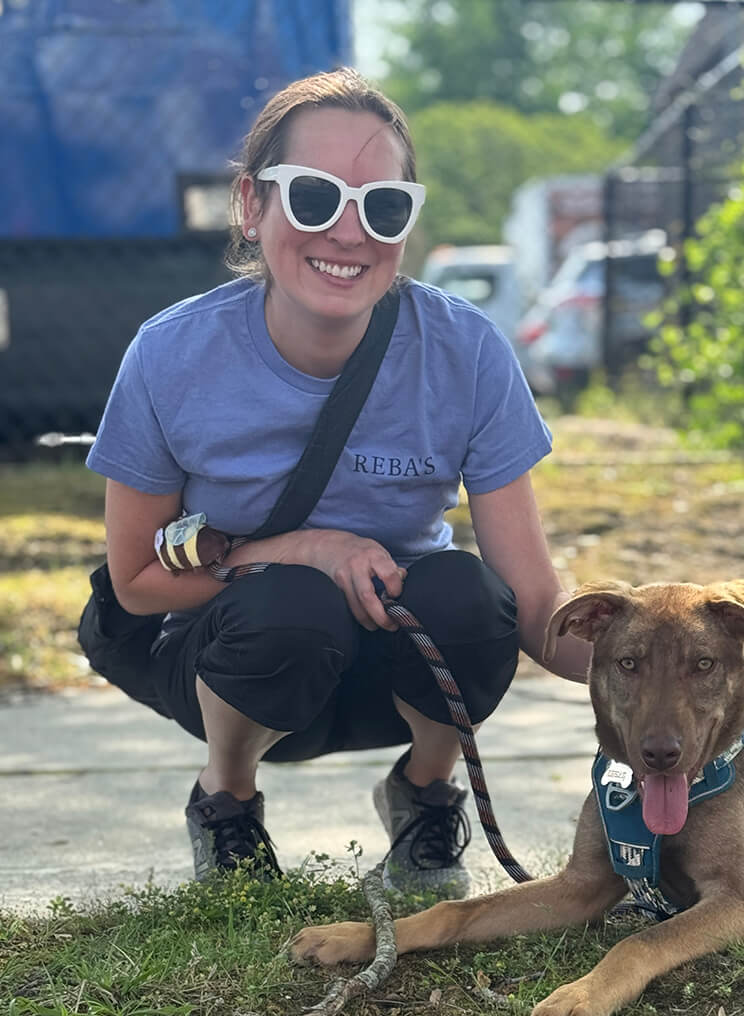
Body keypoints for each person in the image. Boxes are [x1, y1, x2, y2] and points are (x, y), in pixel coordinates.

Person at [85, 67, 590, 898]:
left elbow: (535, 607)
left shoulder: (465, 350)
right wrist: (305, 548)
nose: (349, 232)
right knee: (293, 602)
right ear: (252, 207)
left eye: (383, 206)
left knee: (471, 595)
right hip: (229, 657)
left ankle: (425, 795)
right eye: (315, 198)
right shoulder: (171, 355)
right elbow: (138, 586)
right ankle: (228, 798)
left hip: (395, 655)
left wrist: (671, 670)